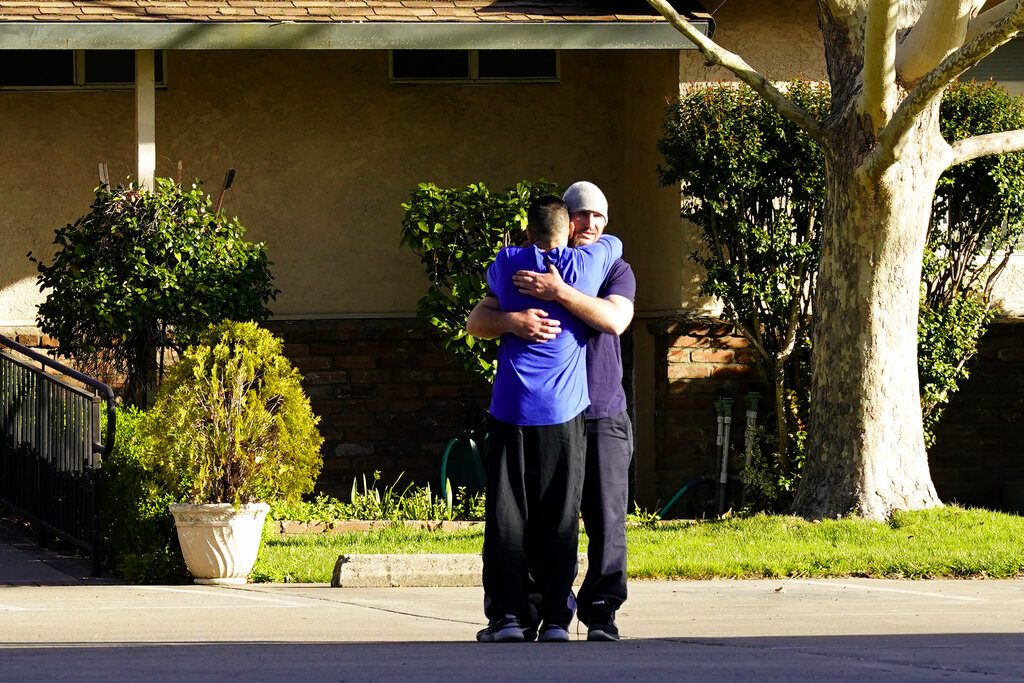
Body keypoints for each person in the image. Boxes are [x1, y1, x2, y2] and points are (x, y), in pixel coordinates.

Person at [468, 181, 635, 642]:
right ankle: (527, 614)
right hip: (549, 413)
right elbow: (478, 321)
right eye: (582, 215)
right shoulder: (537, 265)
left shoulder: (613, 268)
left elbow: (616, 319)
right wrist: (513, 321)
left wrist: (557, 290)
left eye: (600, 216)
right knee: (530, 516)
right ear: (566, 220)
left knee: (602, 520)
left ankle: (600, 614)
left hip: (600, 412)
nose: (592, 224)